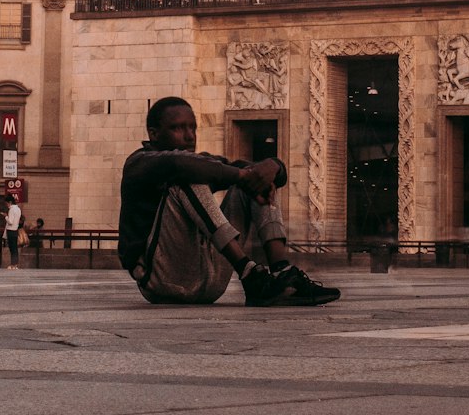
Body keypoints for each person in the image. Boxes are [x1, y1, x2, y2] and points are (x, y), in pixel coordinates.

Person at [118, 96, 340, 307]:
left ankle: (282, 274)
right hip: (163, 280)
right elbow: (178, 164)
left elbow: (250, 171)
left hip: (210, 278)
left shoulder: (199, 162)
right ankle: (249, 273)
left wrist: (272, 167)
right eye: (178, 128)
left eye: (193, 127)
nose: (189, 136)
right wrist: (243, 175)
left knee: (256, 183)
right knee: (187, 176)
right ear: (154, 134)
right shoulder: (139, 163)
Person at [3, 195, 22, 270]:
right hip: (15, 230)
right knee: (15, 248)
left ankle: (12, 264)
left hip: (10, 230)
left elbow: (10, 221)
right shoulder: (18, 209)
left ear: (10, 202)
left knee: (12, 248)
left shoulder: (11, 209)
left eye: (7, 203)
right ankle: (15, 264)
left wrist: (6, 216)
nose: (7, 205)